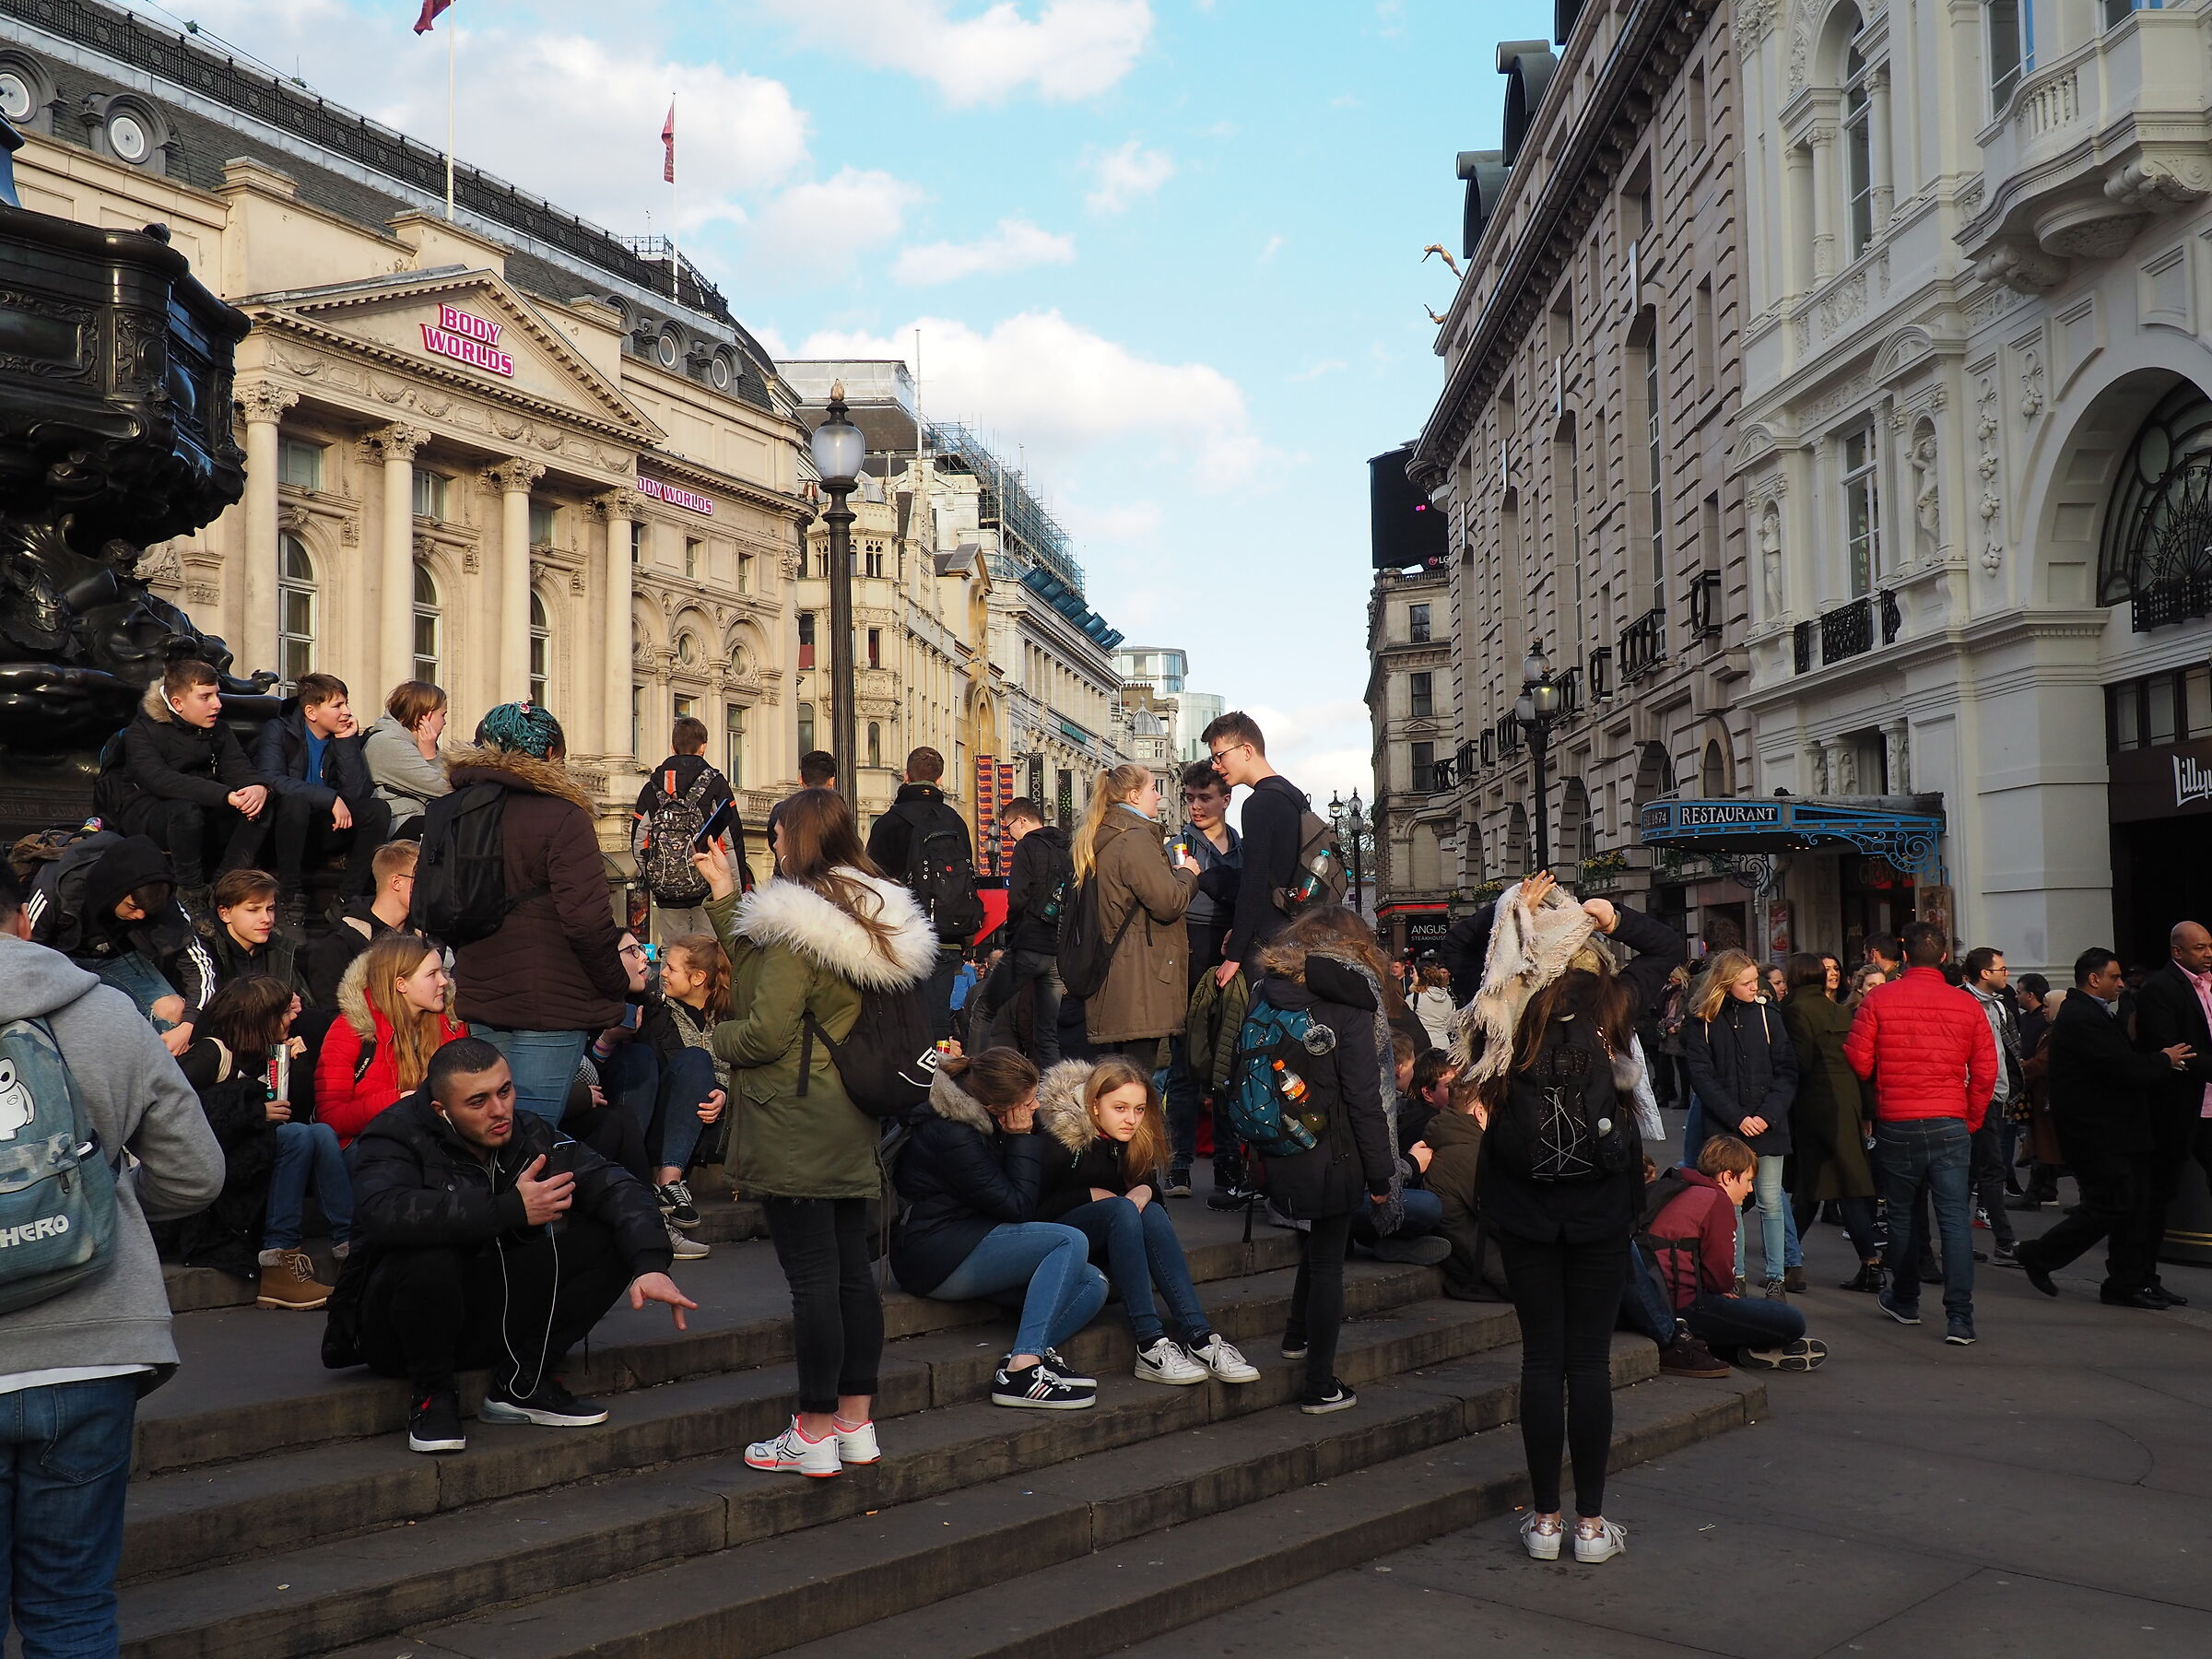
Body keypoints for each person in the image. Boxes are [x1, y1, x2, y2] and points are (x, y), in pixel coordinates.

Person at [0, 865, 224, 1656]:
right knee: (71, 1608)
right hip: (95, 1345)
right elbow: (195, 1174)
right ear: (22, 921)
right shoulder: (103, 1012)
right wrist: (95, 1205)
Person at [694, 787, 937, 1473]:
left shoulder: (797, 926)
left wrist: (718, 1038)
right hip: (848, 1114)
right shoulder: (869, 915)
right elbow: (772, 976)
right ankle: (854, 1425)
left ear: (793, 841)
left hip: (794, 1118)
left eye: (775, 837)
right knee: (851, 1275)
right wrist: (726, 896)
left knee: (812, 1282)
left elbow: (764, 1030)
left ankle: (811, 1433)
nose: (771, 848)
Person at [1465, 871, 1686, 1564]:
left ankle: (1544, 1520)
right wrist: (1611, 915)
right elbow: (1670, 946)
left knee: (1541, 1358)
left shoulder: (1510, 1003)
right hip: (1599, 1204)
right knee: (1589, 1362)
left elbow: (1457, 946)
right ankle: (1590, 1526)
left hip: (1523, 1203)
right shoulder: (1614, 1002)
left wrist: (1511, 909)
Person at [327, 1040, 695, 1454]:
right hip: (400, 1329)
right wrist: (508, 1210)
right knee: (429, 1248)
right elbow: (385, 1214)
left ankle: (524, 1381)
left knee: (612, 1231)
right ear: (441, 1110)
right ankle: (433, 1397)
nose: (499, 1110)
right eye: (478, 1101)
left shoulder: (526, 1131)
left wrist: (650, 1263)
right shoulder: (394, 1134)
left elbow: (614, 1184)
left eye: (504, 1091)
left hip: (487, 1310)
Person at [891, 1047, 1111, 1411]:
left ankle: (1029, 1353)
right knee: (1068, 1240)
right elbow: (1018, 1207)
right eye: (1028, 1103)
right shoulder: (953, 1133)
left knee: (1092, 1283)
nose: (1035, 1108)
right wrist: (1021, 1137)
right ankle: (1022, 1372)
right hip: (934, 1256)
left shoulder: (977, 1114)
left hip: (973, 1238)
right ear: (995, 1108)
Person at [1242, 906, 1399, 1415]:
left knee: (1316, 1243)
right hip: (1334, 1148)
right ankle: (1319, 1385)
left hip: (1276, 1139)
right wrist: (1382, 1175)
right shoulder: (1351, 1000)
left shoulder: (1266, 989)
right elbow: (1365, 1099)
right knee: (1330, 1258)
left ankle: (1296, 1334)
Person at [448, 702, 629, 1125]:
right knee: (532, 1129)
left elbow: (438, 905)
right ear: (550, 754)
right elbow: (587, 921)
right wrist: (614, 984)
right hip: (551, 1000)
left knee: (489, 1127)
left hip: (481, 990)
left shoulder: (455, 811)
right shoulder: (564, 817)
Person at [1033, 1056, 1260, 1386]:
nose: (1131, 1119)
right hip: (1060, 1247)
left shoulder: (1131, 1137)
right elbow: (1030, 1212)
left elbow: (1150, 1208)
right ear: (1094, 1105)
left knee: (1148, 1210)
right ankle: (1150, 1342)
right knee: (1123, 1210)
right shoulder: (1059, 1139)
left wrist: (1146, 1190)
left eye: (1139, 1109)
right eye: (1120, 1108)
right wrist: (1088, 1195)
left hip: (1116, 1243)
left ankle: (1200, 1338)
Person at [1843, 920, 1997, 1345]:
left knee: (1902, 1214)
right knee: (1954, 1219)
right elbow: (1986, 1071)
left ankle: (1906, 1298)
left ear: (1905, 956)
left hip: (1899, 1119)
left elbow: (1858, 1060)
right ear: (1944, 957)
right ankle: (1960, 1317)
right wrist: (1971, 1117)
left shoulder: (1880, 999)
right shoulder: (1966, 1005)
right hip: (1949, 1119)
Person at [2016, 948, 2194, 1310]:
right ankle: (2039, 1254)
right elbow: (2120, 1068)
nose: (2121, 984)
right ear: (2094, 979)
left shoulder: (2094, 1013)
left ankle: (2130, 1281)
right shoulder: (2081, 1016)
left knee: (2135, 1206)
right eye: (2114, 977)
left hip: (2119, 1130)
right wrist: (2164, 1059)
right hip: (2098, 1132)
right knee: (2112, 1203)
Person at [174, 974, 352, 1310]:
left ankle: (350, 1247)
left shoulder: (271, 1054)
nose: (291, 1019)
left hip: (256, 1165)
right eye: (282, 1013)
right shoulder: (211, 1054)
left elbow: (290, 1113)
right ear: (259, 1018)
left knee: (320, 1133)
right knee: (297, 1135)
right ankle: (279, 1258)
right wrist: (254, 1112)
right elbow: (176, 1111)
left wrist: (297, 1069)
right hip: (216, 1179)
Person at [93, 657, 268, 917]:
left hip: (204, 807)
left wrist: (256, 787)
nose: (217, 704)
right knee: (186, 811)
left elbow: (239, 768)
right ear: (177, 703)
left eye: (217, 695)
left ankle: (224, 886)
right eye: (205, 697)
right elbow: (160, 780)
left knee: (263, 805)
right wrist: (226, 796)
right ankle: (192, 893)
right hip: (149, 812)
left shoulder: (219, 730)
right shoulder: (141, 731)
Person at [1648, 1135, 1828, 1370]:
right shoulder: (1717, 1201)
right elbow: (1720, 1277)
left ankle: (1728, 1349)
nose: (1750, 1189)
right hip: (1685, 1305)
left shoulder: (1682, 1187)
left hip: (1658, 1298)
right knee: (1790, 1319)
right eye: (1749, 1180)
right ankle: (1731, 1348)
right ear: (1728, 1177)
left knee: (1738, 1309)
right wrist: (1723, 1290)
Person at [32, 834, 217, 1057]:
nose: (140, 916)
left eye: (147, 911)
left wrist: (189, 1025)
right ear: (114, 889)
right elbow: (26, 952)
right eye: (132, 906)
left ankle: (157, 1071)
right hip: (60, 960)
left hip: (119, 960)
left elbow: (197, 964)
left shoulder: (159, 895)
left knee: (174, 1010)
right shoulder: (57, 888)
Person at [1683, 948, 1800, 1296]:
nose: (1755, 987)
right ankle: (1734, 1275)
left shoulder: (1767, 1014)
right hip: (1726, 1126)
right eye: (1747, 982)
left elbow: (1787, 1071)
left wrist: (1765, 1116)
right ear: (1726, 983)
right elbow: (1701, 1077)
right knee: (1729, 1203)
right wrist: (1738, 1117)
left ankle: (1776, 1277)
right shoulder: (1703, 1020)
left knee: (1770, 1200)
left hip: (1767, 1123)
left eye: (1755, 981)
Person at [1073, 764, 1197, 1068]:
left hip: (1119, 972)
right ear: (1133, 795)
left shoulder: (1108, 834)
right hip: (1139, 977)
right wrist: (1188, 875)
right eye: (1153, 789)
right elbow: (1168, 902)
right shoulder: (1134, 838)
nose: (1159, 796)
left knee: (1121, 1073)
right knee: (1137, 1076)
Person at [603, 933, 731, 1226]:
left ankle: (670, 1183)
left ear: (698, 978)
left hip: (709, 1120)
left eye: (671, 969)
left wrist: (725, 1092)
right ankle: (656, 1180)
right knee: (694, 1059)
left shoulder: (728, 1017)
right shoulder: (654, 1011)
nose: (662, 974)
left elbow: (742, 1068)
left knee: (698, 1061)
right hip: (662, 1118)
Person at [253, 672, 394, 933]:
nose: (347, 712)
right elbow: (270, 778)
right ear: (311, 711)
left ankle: (346, 900)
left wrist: (347, 743)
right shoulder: (279, 730)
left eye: (346, 704)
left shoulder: (338, 739)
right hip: (284, 830)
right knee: (296, 802)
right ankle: (289, 899)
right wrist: (330, 798)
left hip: (324, 830)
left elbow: (357, 795)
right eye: (337, 705)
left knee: (377, 810)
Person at [1778, 953, 1883, 1291]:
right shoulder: (1838, 1011)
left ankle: (1787, 1258)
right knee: (1834, 1183)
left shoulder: (1794, 1010)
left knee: (1819, 1183)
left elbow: (1799, 1063)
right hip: (1846, 1101)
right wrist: (1866, 1110)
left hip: (1814, 1104)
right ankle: (1865, 1264)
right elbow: (1860, 1063)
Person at [866, 746, 981, 1041]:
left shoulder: (888, 823)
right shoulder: (955, 822)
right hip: (947, 934)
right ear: (939, 780)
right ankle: (937, 1066)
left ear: (906, 776)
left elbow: (873, 880)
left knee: (900, 1020)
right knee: (938, 1017)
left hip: (901, 934)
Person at [1166, 761, 1243, 1194]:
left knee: (1229, 1065)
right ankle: (1178, 1163)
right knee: (1184, 1068)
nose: (1195, 806)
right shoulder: (1177, 846)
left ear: (1226, 800)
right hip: (1190, 954)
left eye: (1205, 798)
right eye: (1190, 798)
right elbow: (1177, 899)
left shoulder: (1244, 848)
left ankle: (1228, 1162)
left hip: (1231, 955)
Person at [314, 931, 467, 1147]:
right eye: (432, 974)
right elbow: (331, 1117)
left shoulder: (451, 1024)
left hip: (436, 1141)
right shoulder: (353, 1028)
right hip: (369, 1144)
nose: (444, 981)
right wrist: (399, 1102)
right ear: (401, 984)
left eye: (442, 971)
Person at [2129, 920, 2212, 1301]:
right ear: (2177, 951)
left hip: (2209, 1106)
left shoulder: (2209, 984)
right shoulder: (2160, 989)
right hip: (2178, 1108)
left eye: (2209, 946)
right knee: (2159, 1194)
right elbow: (2171, 1050)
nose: (2208, 954)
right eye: (2199, 948)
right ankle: (2142, 1276)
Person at [1202, 710, 1311, 988]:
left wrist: (1235, 955)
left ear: (1247, 750)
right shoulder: (1293, 795)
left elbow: (1255, 883)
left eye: (1220, 756)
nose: (1215, 766)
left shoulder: (1258, 804)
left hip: (1267, 942)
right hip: (1296, 932)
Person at [982, 796, 1072, 1066]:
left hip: (1029, 943)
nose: (1009, 836)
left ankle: (973, 1075)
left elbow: (1018, 898)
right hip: (1056, 950)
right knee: (1047, 1034)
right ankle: (1054, 1088)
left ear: (1021, 821)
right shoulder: (1066, 849)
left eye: (1008, 828)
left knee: (984, 1010)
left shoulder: (1026, 847)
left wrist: (1012, 935)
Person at [632, 714, 737, 943]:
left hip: (667, 894)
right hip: (708, 886)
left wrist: (656, 876)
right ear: (703, 747)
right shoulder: (716, 784)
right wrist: (733, 890)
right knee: (709, 949)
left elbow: (638, 841)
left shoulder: (652, 786)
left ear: (673, 747)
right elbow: (731, 839)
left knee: (673, 950)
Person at [1959, 947, 2025, 1268]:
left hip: (1995, 1096)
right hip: (1973, 1096)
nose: (2007, 974)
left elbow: (2007, 1050)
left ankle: (1963, 1240)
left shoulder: (1999, 1005)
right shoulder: (1961, 1002)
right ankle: (2002, 1241)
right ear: (1985, 973)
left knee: (1980, 1168)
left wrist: (2010, 1088)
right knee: (1988, 1167)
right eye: (2002, 969)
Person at [304, 840, 419, 1007]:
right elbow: (332, 1013)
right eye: (425, 879)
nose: (433, 888)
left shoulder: (424, 936)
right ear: (397, 883)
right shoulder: (339, 944)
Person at [1425, 1073, 1492, 1300]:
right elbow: (1504, 1217)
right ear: (1480, 1112)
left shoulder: (1450, 1138)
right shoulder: (1471, 1154)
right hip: (1483, 1267)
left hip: (1472, 1259)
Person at [362, 678, 452, 839]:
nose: (444, 722)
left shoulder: (414, 743)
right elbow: (443, 788)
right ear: (426, 716)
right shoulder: (387, 742)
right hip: (399, 821)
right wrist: (431, 756)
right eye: (443, 715)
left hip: (418, 815)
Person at [206, 867, 307, 997]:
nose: (267, 919)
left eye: (270, 909)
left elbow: (307, 1001)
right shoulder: (205, 952)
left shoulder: (280, 949)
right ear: (224, 914)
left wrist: (297, 1005)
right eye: (253, 910)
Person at [2012, 974, 2063, 1210]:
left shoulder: (2055, 1032)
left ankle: (2036, 1193)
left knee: (2043, 1144)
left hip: (2047, 1096)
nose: (2044, 1010)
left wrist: (2023, 1067)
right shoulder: (2046, 1027)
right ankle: (2043, 1191)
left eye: (2048, 1006)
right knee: (2041, 1144)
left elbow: (2043, 1062)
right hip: (2041, 1094)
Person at [1413, 964, 1458, 1052]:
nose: (1411, 976)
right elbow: (1452, 1023)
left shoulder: (1415, 998)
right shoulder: (1449, 999)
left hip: (1422, 1045)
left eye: (1413, 973)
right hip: (1443, 1044)